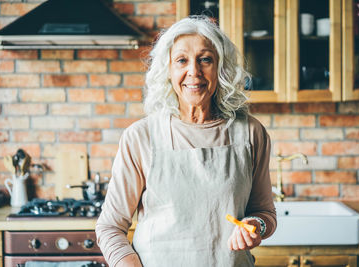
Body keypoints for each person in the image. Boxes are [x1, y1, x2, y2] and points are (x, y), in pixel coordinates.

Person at [95, 15, 276, 267]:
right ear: (168, 70)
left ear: (220, 67)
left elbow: (266, 214)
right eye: (182, 60)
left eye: (205, 60)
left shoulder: (250, 133)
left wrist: (257, 226)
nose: (194, 72)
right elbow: (110, 227)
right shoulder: (141, 137)